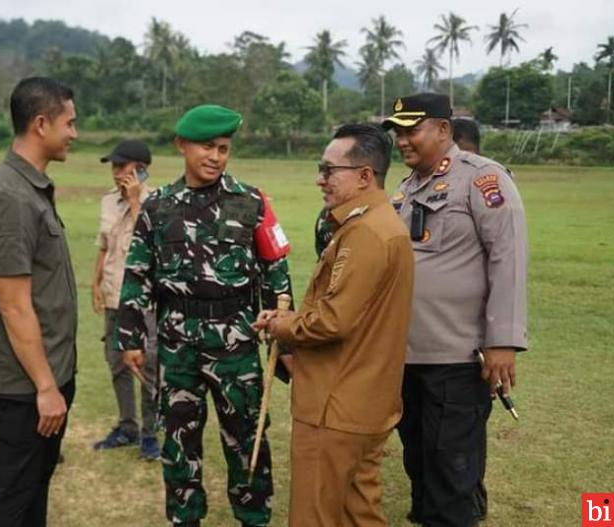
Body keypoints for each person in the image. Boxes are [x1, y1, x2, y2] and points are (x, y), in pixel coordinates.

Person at [114, 104, 294, 527]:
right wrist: (131, 338)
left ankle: (253, 517)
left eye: (223, 148)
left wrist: (284, 333)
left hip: (237, 340)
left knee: (246, 439)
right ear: (181, 145)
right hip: (177, 344)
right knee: (179, 445)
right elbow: (137, 273)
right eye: (206, 147)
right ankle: (185, 518)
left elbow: (277, 271)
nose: (215, 156)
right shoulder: (157, 206)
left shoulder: (251, 201)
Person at [254, 123, 414, 527]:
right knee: (360, 512)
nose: (319, 179)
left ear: (364, 176)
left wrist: (282, 326)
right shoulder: (379, 223)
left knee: (316, 515)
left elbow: (332, 320)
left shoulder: (366, 233)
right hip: (365, 402)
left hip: (335, 405)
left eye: (329, 170)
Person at [383, 93, 528, 527]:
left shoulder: (483, 179)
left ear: (444, 130)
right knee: (420, 460)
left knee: (452, 467)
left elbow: (509, 257)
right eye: (398, 133)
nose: (403, 141)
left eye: (412, 130)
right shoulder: (407, 187)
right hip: (407, 355)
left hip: (457, 357)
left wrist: (503, 340)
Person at [0, 77, 79, 527]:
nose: (74, 133)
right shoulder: (9, 198)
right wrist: (46, 387)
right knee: (13, 498)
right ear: (40, 124)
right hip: (28, 387)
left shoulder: (28, 187)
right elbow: (13, 306)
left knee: (33, 488)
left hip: (46, 375)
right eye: (69, 123)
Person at [91, 139, 160, 460]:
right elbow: (104, 246)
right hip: (113, 295)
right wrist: (95, 284)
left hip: (143, 301)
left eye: (122, 166)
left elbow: (153, 246)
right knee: (117, 363)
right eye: (114, 166)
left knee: (147, 365)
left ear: (141, 169)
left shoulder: (156, 203)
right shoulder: (107, 201)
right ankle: (127, 426)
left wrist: (135, 201)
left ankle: (149, 434)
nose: (116, 172)